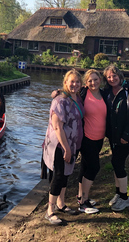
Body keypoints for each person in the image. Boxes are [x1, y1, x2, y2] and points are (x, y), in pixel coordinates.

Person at [43, 69, 84, 225]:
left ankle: (61, 204)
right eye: (71, 81)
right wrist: (66, 148)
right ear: (65, 82)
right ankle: (50, 211)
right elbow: (57, 127)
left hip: (73, 144)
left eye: (77, 82)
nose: (74, 84)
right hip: (60, 145)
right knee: (59, 175)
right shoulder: (60, 101)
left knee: (66, 174)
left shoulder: (78, 97)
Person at [103, 64, 129, 212]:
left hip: (127, 135)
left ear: (120, 75)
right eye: (109, 77)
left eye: (114, 75)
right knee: (116, 163)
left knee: (117, 162)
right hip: (114, 135)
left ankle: (125, 198)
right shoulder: (107, 91)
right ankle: (118, 194)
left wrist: (127, 135)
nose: (112, 79)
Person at [76, 69, 108, 214]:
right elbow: (67, 94)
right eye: (89, 80)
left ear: (100, 79)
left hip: (99, 138)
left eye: (95, 79)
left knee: (85, 166)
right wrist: (57, 93)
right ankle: (84, 202)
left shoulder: (104, 94)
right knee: (94, 167)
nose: (93, 83)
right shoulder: (82, 93)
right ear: (85, 82)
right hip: (86, 137)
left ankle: (80, 196)